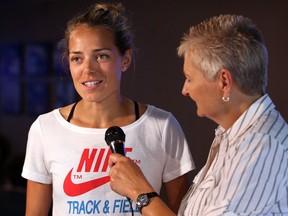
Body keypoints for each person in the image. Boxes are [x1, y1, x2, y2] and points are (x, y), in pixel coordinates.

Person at [21, 2, 195, 216]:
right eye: (77, 58)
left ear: (125, 59)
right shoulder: (45, 129)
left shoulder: (162, 126)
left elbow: (185, 213)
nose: (88, 69)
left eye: (101, 56)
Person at [108, 14, 288, 215]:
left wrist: (140, 191)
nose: (185, 90)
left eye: (190, 79)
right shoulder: (234, 138)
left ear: (224, 82)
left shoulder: (262, 146)